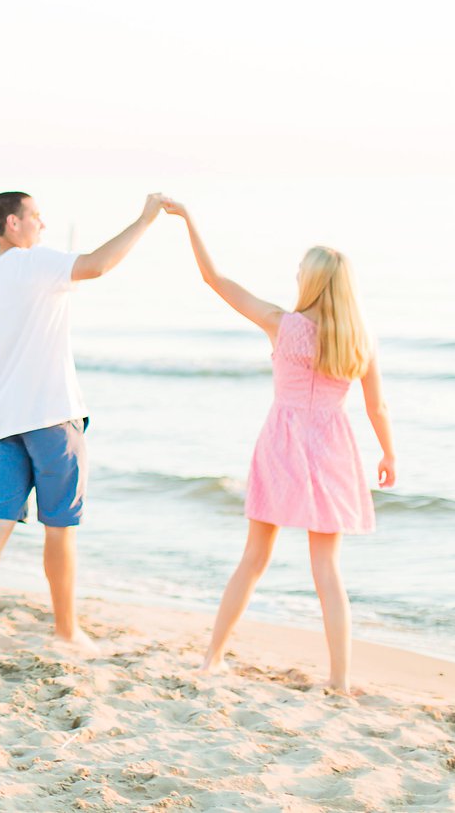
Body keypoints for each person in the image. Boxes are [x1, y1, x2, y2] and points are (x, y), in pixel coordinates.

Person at [160, 199, 395, 693]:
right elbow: (377, 408)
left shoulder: (280, 323)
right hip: (332, 446)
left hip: (283, 443)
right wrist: (388, 454)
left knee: (254, 558)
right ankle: (339, 679)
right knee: (327, 569)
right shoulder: (359, 339)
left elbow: (216, 280)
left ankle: (212, 658)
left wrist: (190, 220)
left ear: (309, 281)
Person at [0, 189, 167, 655]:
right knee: (60, 527)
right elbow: (97, 264)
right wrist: (145, 219)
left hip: (2, 421)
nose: (42, 225)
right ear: (12, 223)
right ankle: (67, 631)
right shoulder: (35, 263)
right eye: (36, 217)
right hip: (51, 413)